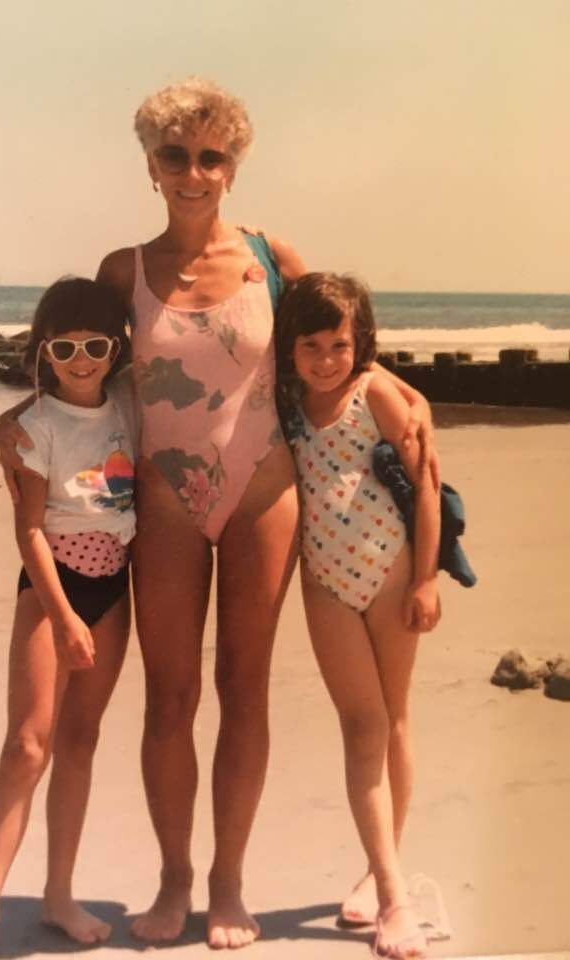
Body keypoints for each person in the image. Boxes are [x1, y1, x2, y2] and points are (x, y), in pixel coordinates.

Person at [0, 78, 437, 949]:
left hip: (262, 496)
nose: (193, 172)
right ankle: (174, 880)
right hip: (160, 502)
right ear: (151, 166)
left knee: (244, 690)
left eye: (212, 156)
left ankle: (228, 884)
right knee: (170, 697)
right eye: (175, 155)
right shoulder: (124, 269)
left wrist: (397, 387)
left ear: (232, 167)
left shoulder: (271, 255)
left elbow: (339, 345)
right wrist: (21, 424)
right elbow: (75, 364)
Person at [0, 278, 136, 960]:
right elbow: (30, 532)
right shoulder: (33, 428)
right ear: (45, 350)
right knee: (26, 745)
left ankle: (59, 895)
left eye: (96, 345)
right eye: (66, 347)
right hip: (54, 589)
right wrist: (64, 615)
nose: (82, 359)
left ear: (116, 348)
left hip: (115, 586)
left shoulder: (129, 405)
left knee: (80, 742)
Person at [275, 272, 441, 959]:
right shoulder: (285, 401)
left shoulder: (372, 390)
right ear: (289, 350)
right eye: (309, 345)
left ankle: (386, 881)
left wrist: (427, 578)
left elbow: (427, 480)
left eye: (338, 344)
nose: (324, 358)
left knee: (393, 718)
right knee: (361, 724)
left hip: (392, 573)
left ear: (359, 342)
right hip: (325, 583)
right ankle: (390, 881)